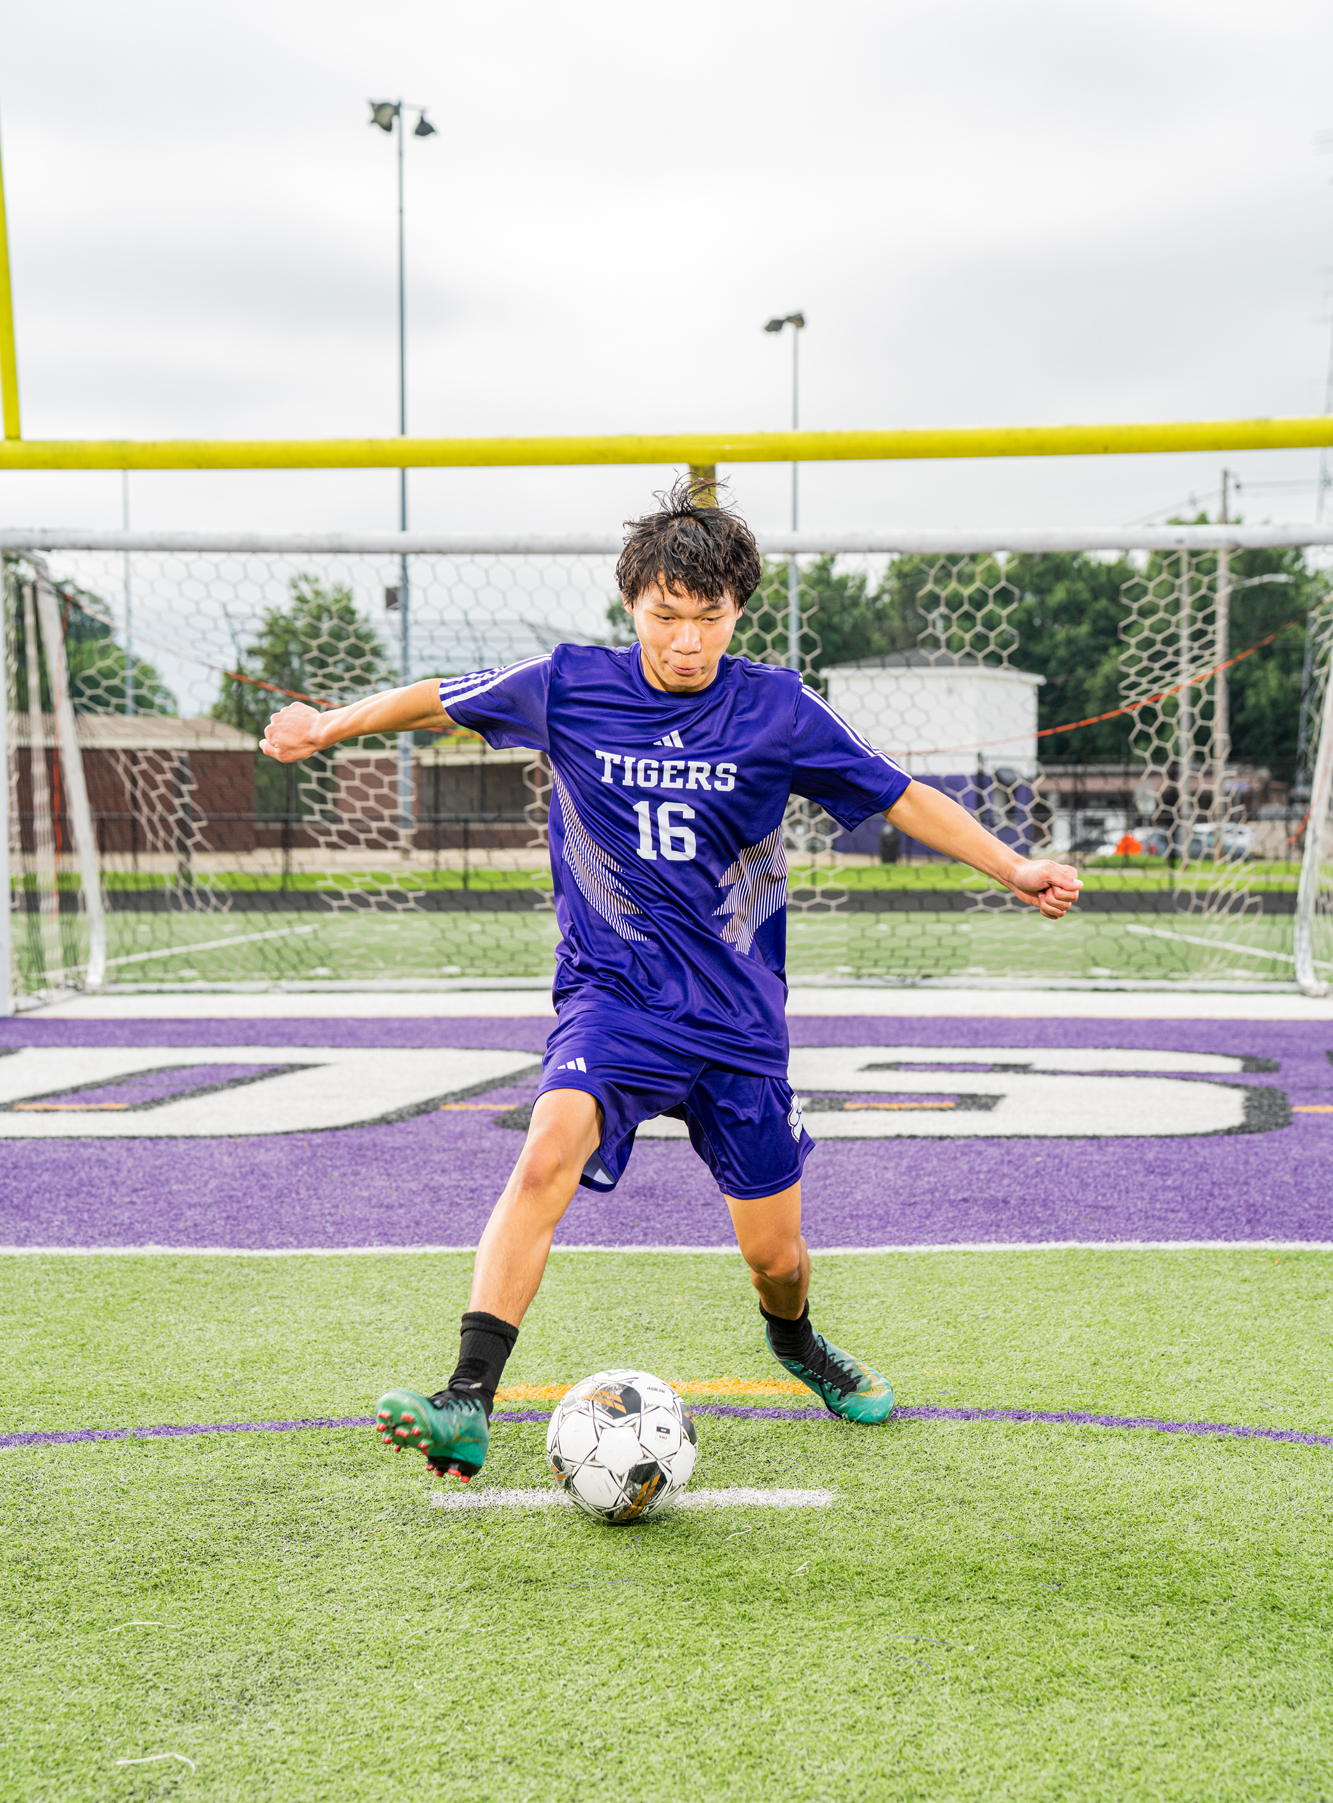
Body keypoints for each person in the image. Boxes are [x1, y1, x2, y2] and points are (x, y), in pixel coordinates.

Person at [261, 483, 1082, 1481]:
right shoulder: (568, 684)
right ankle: (467, 1396)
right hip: (614, 1001)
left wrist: (1013, 866)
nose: (686, 640)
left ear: (737, 612)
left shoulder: (778, 708)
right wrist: (326, 726)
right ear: (631, 605)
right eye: (665, 615)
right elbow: (436, 698)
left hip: (736, 1018)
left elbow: (899, 796)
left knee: (775, 1258)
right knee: (545, 1152)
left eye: (709, 617)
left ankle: (797, 1342)